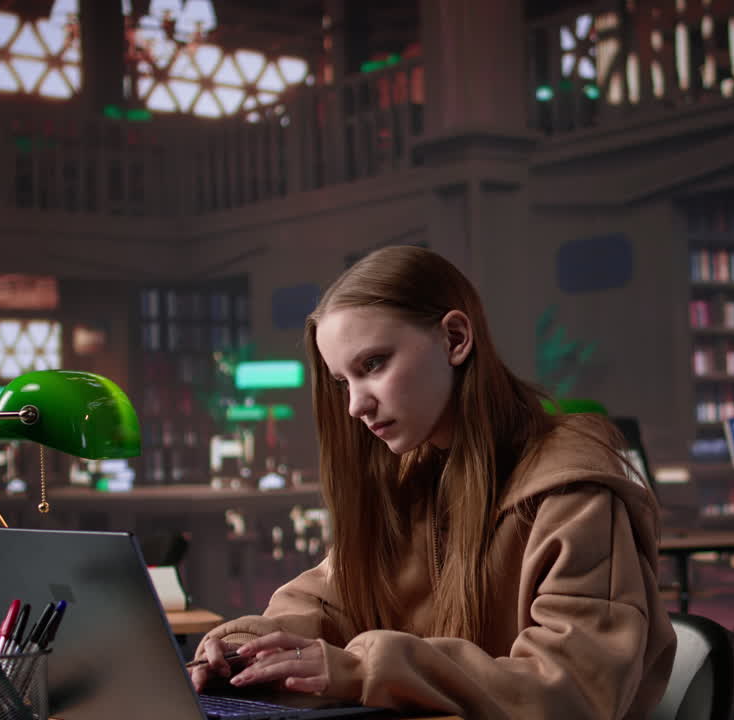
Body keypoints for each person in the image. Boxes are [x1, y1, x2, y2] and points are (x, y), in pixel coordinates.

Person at [191, 246, 676, 718]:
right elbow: (326, 600)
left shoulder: (574, 492)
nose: (355, 405)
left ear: (455, 339)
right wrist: (247, 648)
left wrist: (364, 670)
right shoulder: (411, 480)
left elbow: (575, 690)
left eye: (374, 364)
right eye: (343, 381)